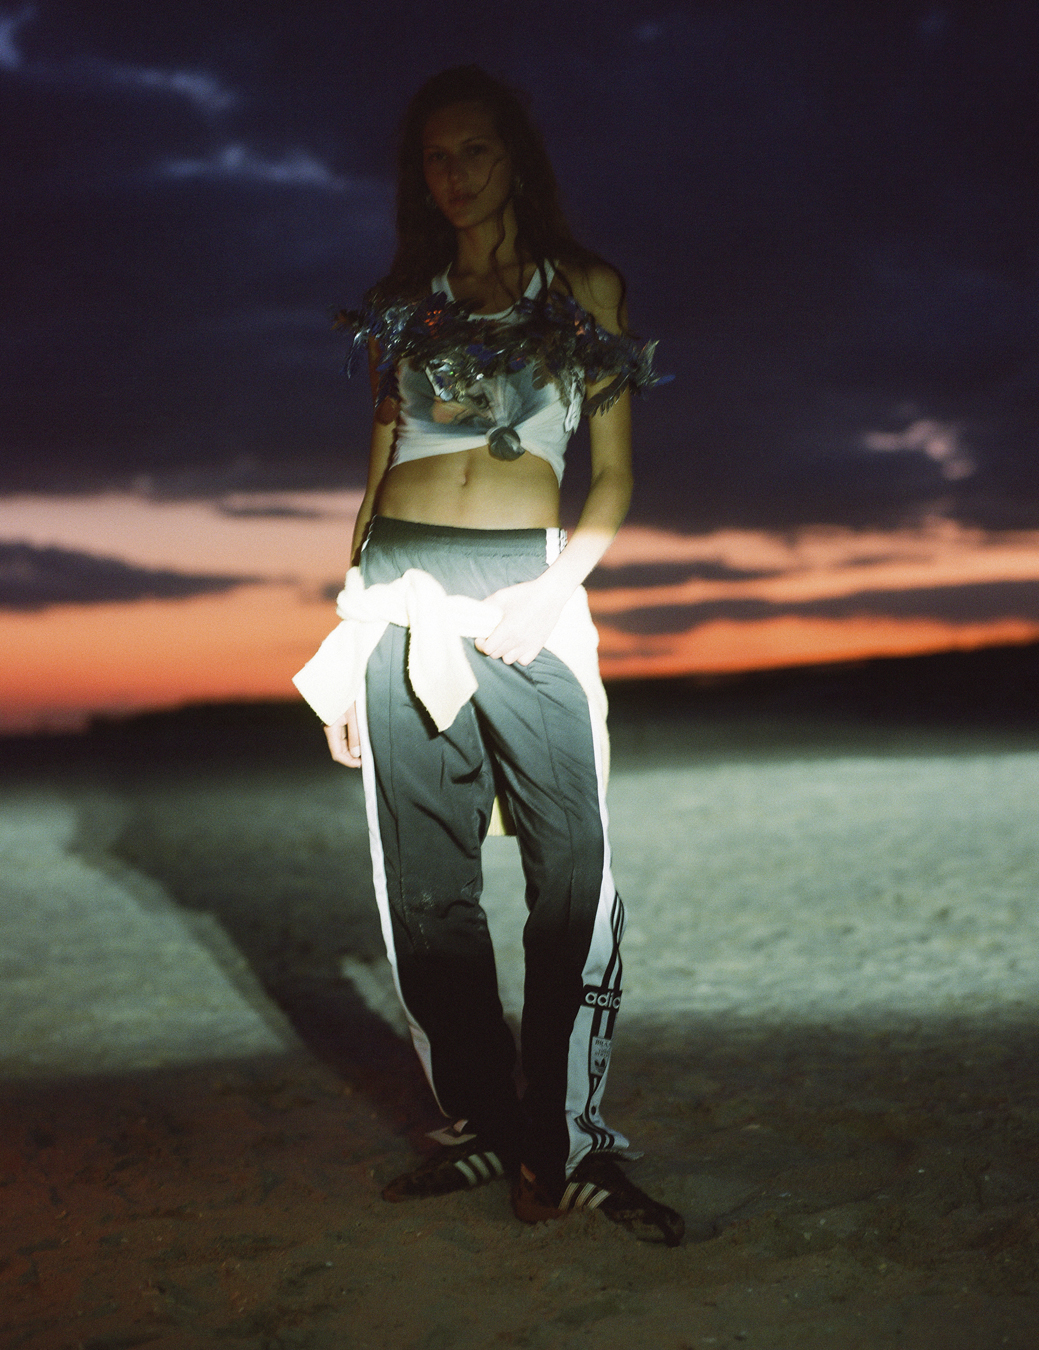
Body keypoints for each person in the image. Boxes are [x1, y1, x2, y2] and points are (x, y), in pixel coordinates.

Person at [293, 65, 684, 1246]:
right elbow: (371, 487)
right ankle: (482, 1125)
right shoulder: (402, 303)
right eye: (433, 159)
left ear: (514, 154)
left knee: (572, 868)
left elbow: (611, 476)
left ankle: (567, 1136)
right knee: (424, 884)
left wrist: (554, 589)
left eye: (471, 151)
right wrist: (345, 636)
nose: (452, 175)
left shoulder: (587, 288)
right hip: (401, 595)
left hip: (531, 590)